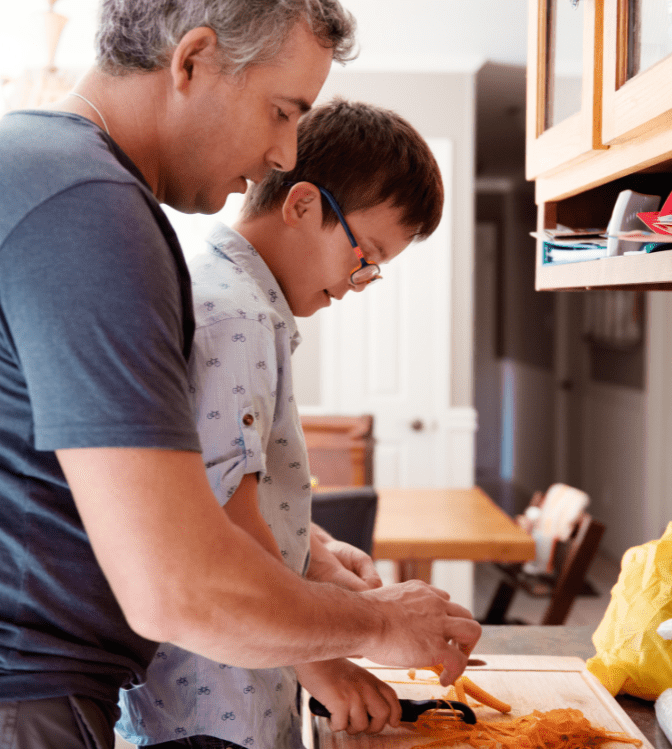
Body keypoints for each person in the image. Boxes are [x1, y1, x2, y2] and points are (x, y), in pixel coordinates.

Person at [0, 1, 481, 746]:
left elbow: (132, 489)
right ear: (191, 61)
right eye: (280, 111)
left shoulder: (41, 172)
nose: (285, 154)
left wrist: (306, 549)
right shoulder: (87, 212)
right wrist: (379, 624)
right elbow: (178, 588)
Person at [117, 98, 447, 749]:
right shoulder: (235, 317)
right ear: (300, 205)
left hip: (222, 683)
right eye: (366, 252)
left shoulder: (235, 299)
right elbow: (222, 533)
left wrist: (313, 550)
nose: (363, 280)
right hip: (212, 700)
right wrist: (325, 663)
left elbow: (225, 482)